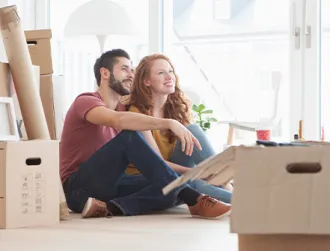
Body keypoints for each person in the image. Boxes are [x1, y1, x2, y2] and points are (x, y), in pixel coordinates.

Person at [59, 49, 231, 220]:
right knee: (129, 136)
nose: (131, 75)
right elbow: (117, 120)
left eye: (132, 70)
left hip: (111, 187)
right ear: (104, 73)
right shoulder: (86, 101)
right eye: (125, 69)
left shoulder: (123, 107)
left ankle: (111, 208)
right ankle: (194, 199)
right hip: (78, 189)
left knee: (176, 183)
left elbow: (132, 109)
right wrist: (170, 123)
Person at [126, 53, 232, 204]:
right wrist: (193, 173)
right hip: (148, 174)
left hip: (175, 169)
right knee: (194, 183)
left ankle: (230, 187)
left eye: (170, 71)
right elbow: (157, 163)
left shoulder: (176, 108)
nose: (169, 77)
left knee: (193, 129)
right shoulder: (138, 113)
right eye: (161, 73)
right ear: (146, 81)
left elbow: (193, 148)